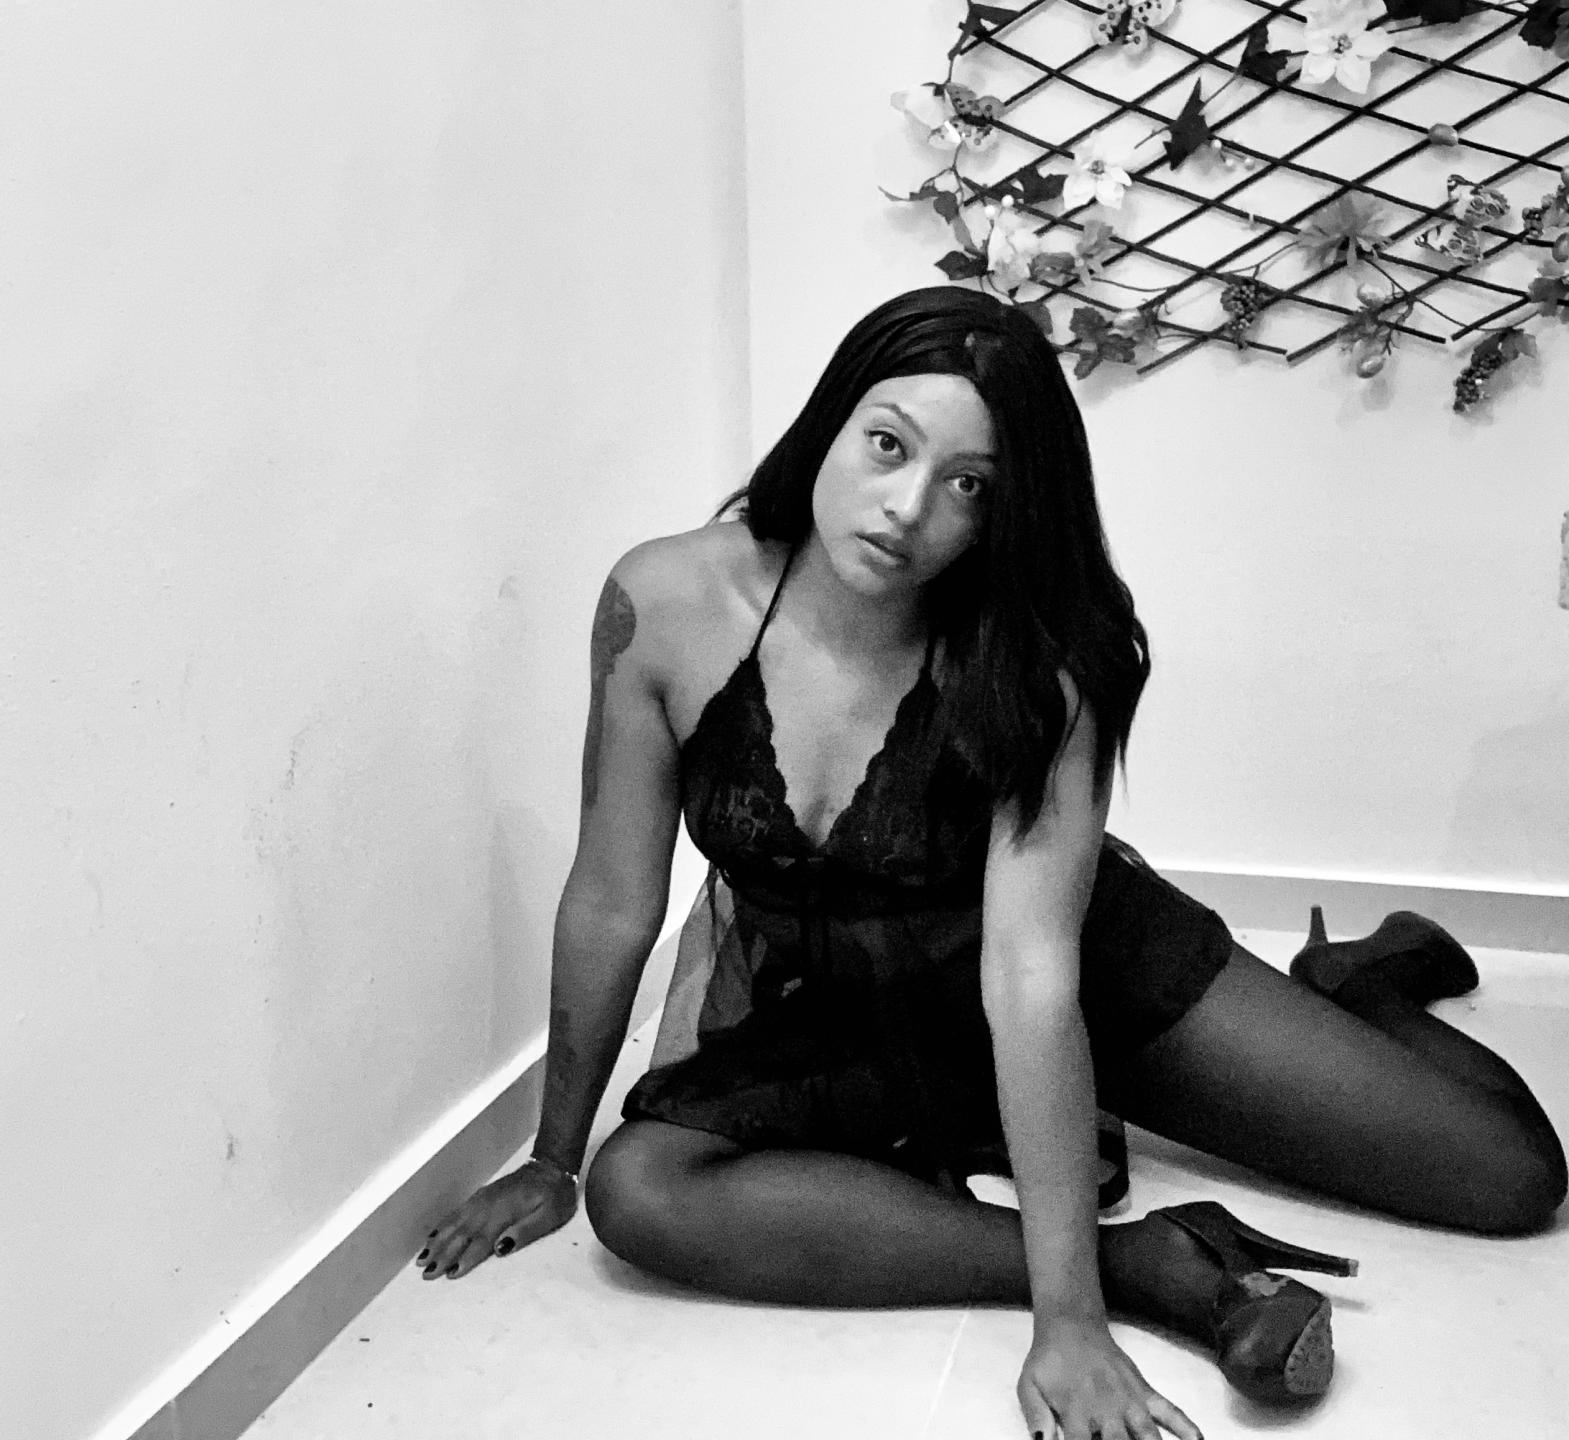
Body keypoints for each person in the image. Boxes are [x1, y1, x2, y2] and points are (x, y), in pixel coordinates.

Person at [417, 287, 1565, 1440]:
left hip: (1074, 975)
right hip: (842, 1006)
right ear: (830, 420)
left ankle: (1364, 984)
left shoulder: (1045, 658)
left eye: (969, 484)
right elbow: (613, 897)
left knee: (1509, 1178)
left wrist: (1070, 1331)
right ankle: (1148, 1263)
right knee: (640, 1191)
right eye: (888, 445)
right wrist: (555, 1158)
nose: (908, 508)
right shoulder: (662, 603)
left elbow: (1032, 977)